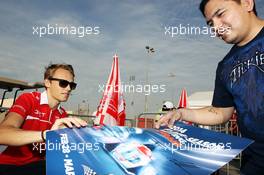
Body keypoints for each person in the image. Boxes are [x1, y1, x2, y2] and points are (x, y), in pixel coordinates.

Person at [156, 0, 264, 174]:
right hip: (254, 164)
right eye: (210, 23)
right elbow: (221, 112)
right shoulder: (225, 66)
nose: (216, 27)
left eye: (220, 14)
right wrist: (181, 113)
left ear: (246, 3)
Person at [0, 63, 88, 175]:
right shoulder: (28, 99)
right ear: (47, 82)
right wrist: (47, 135)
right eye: (63, 83)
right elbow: (2, 134)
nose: (68, 88)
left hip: (39, 166)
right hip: (10, 165)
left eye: (72, 85)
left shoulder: (63, 115)